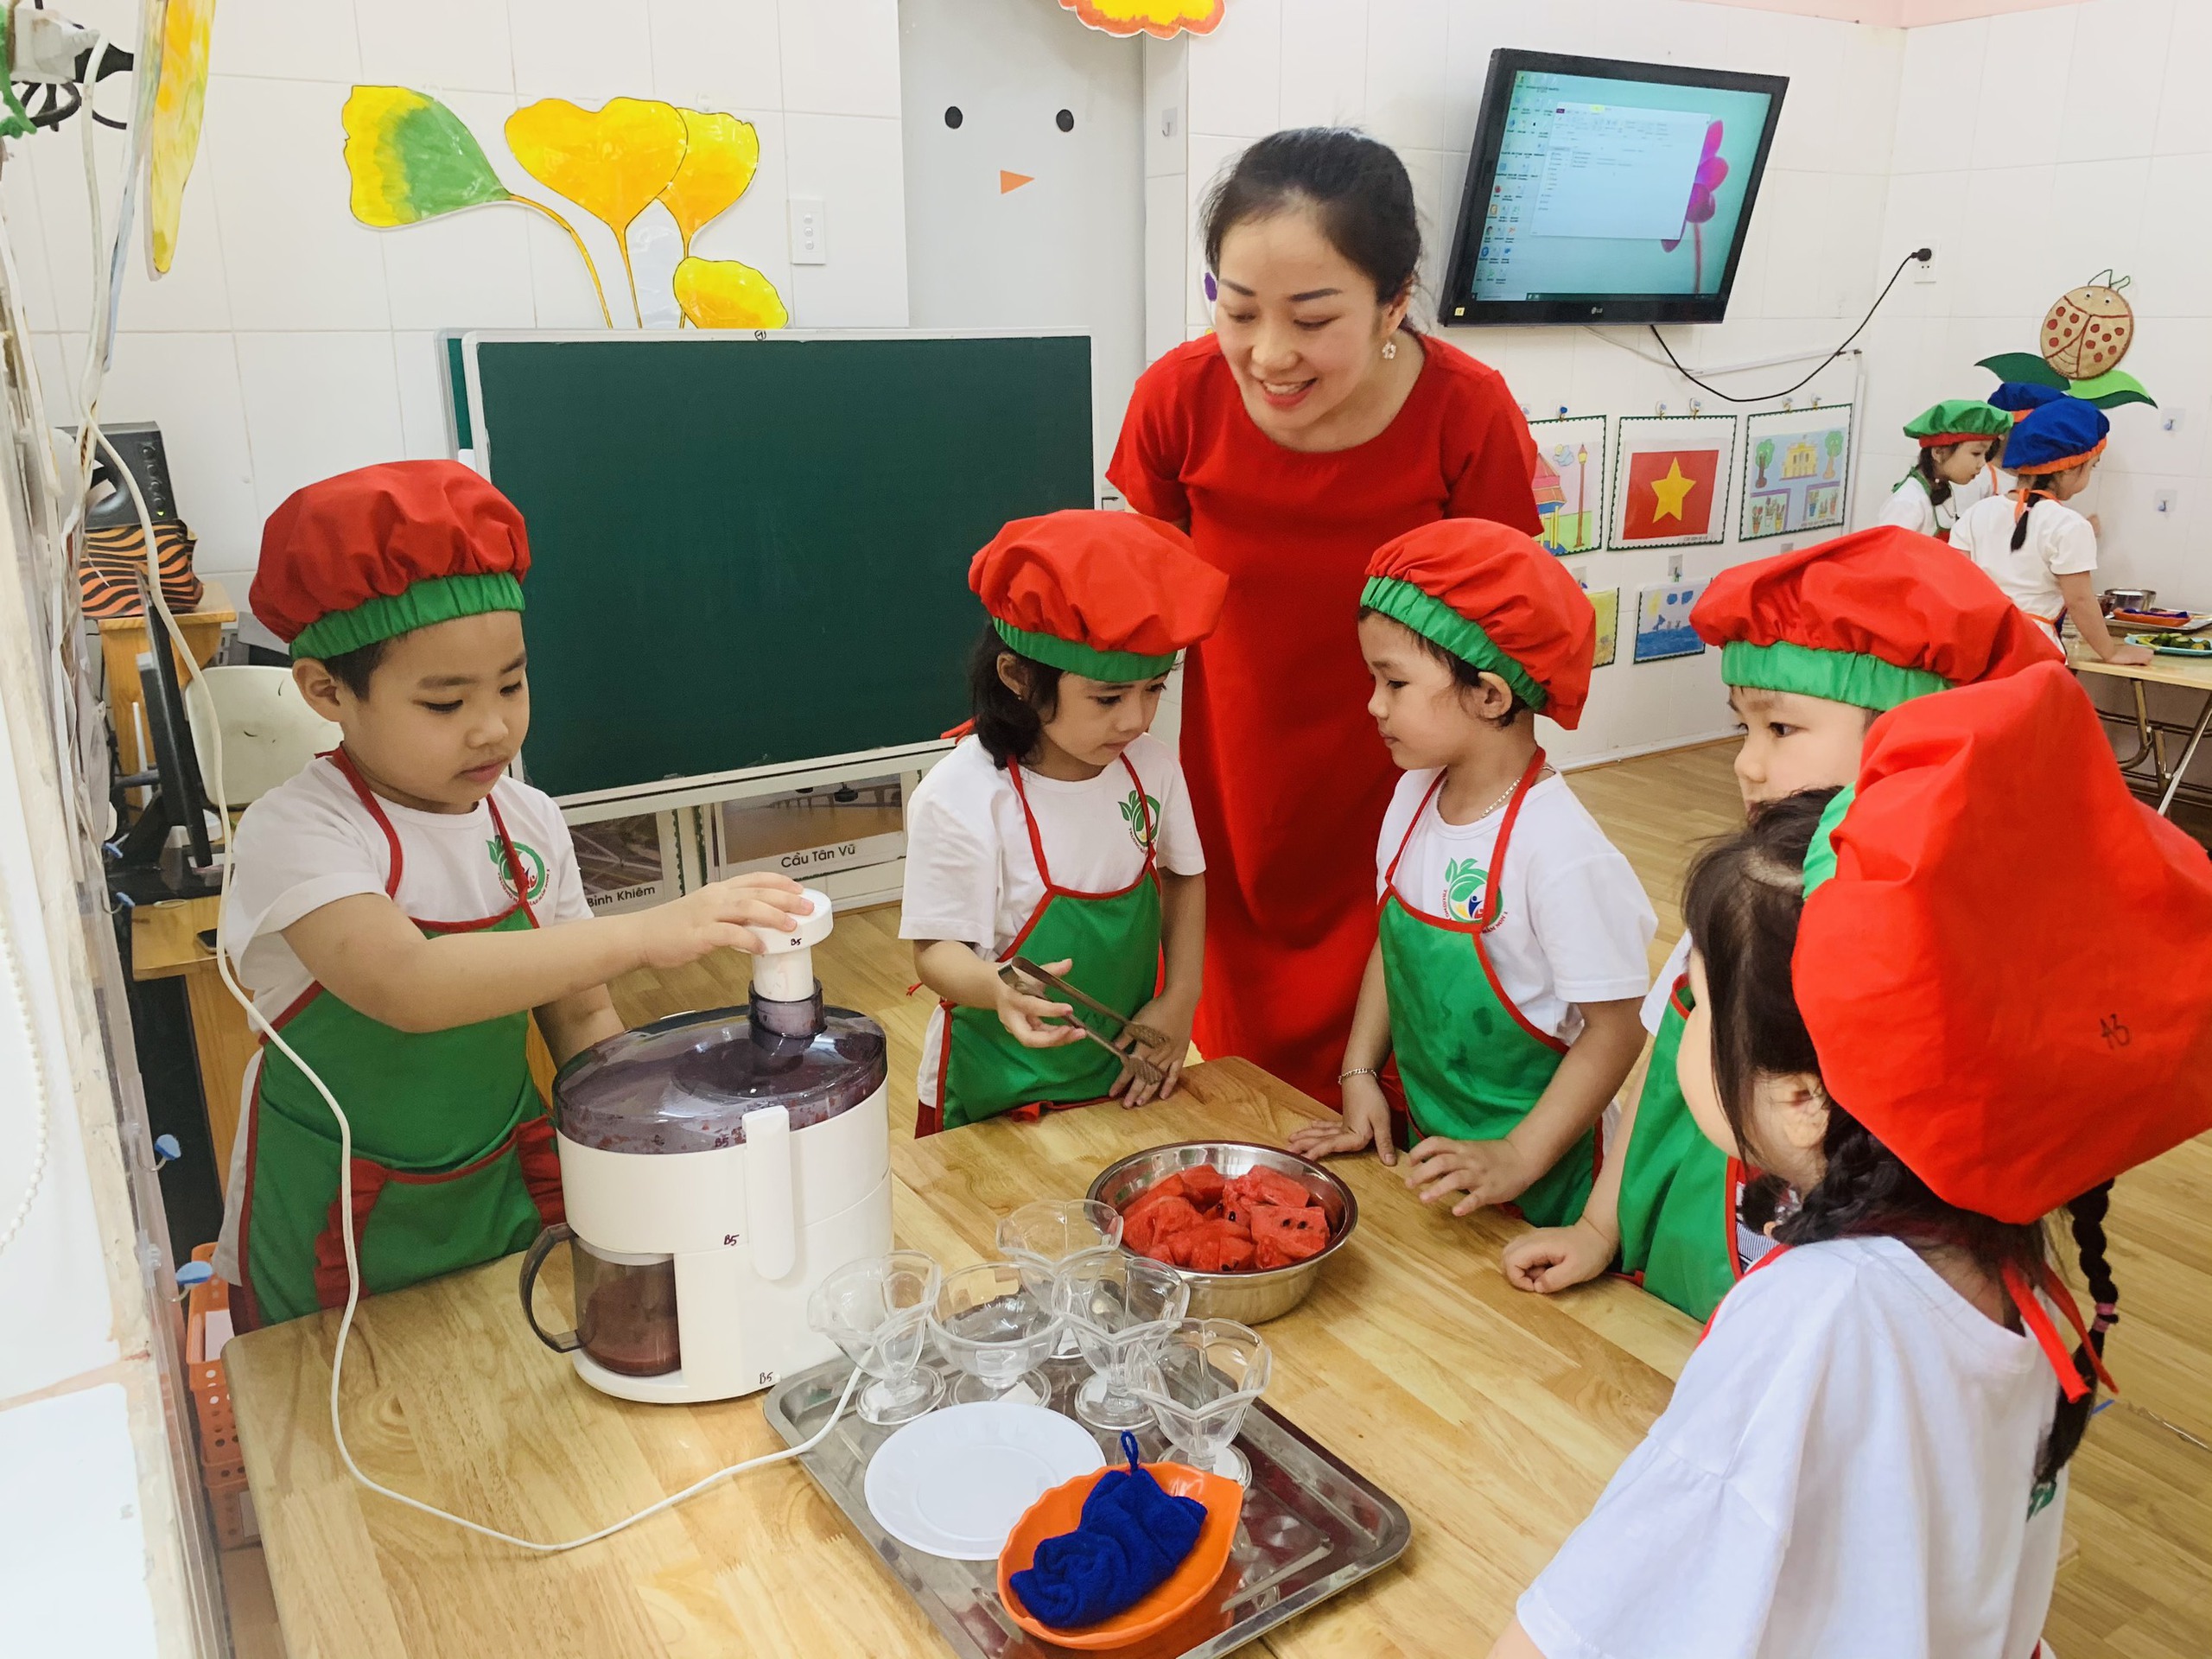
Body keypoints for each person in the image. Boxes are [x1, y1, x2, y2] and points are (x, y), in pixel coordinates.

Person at [1492, 662, 2212, 1658]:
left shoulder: (1815, 1315)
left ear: (1801, 1101)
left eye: (1698, 1004)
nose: (1682, 1025)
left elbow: (1593, 1616)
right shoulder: (2007, 1256)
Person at [217, 462, 810, 1326]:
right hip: (337, 1212)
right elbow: (409, 984)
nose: (493, 726)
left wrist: (648, 1143)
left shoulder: (525, 818)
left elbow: (580, 1014)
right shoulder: (299, 830)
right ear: (325, 690)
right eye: (444, 702)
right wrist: (646, 933)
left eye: (511, 683)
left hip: (501, 1172)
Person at [1502, 525, 2059, 1319]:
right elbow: (1661, 1065)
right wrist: (1598, 1226)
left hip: (1829, 1328)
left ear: (1912, 743)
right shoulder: (1749, 899)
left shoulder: (1949, 961)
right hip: (1682, 1281)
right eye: (1743, 727)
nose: (1746, 762)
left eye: (1781, 729)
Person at [1109, 128, 1541, 1108]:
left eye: (1312, 318)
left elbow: (1502, 636)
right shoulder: (1178, 397)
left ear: (1394, 302)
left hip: (1407, 776)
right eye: (1237, 309)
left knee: (1405, 1046)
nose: (1269, 354)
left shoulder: (1466, 412)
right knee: (1247, 1063)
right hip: (1239, 774)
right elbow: (1143, 595)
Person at [1287, 520, 1651, 1228]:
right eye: (1374, 680)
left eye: (1395, 682)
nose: (1374, 704)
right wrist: (1360, 1072)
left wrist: (1518, 1154)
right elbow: (1395, 945)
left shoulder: (1560, 851)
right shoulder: (1411, 798)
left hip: (1554, 1189)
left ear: (1489, 695)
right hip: (1444, 1162)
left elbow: (1618, 1032)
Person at [903, 511, 1224, 1134]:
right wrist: (996, 987)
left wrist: (1180, 997)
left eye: (1155, 688)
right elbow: (934, 952)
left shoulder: (1152, 769)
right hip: (996, 1093)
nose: (1136, 720)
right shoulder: (962, 796)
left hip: (1121, 1083)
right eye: (1107, 698)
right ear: (1019, 677)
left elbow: (1185, 876)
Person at [1949, 396, 2149, 664]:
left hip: (1973, 648)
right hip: (2031, 654)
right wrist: (2110, 652)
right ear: (2069, 468)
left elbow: (1956, 582)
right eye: (2092, 466)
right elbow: (2080, 600)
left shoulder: (1978, 512)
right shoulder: (2070, 525)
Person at [1876, 398, 2010, 536]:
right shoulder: (1908, 502)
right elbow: (1887, 548)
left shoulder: (1941, 490)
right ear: (1939, 453)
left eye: (1985, 454)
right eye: (1976, 453)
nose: (1982, 463)